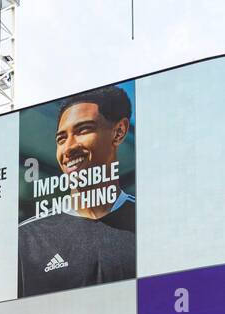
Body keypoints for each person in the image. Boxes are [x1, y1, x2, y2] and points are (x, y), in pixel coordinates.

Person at [17, 85, 136, 296]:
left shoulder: (153, 223)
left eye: (83, 130)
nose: (69, 148)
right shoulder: (25, 238)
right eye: (61, 139)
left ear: (119, 132)